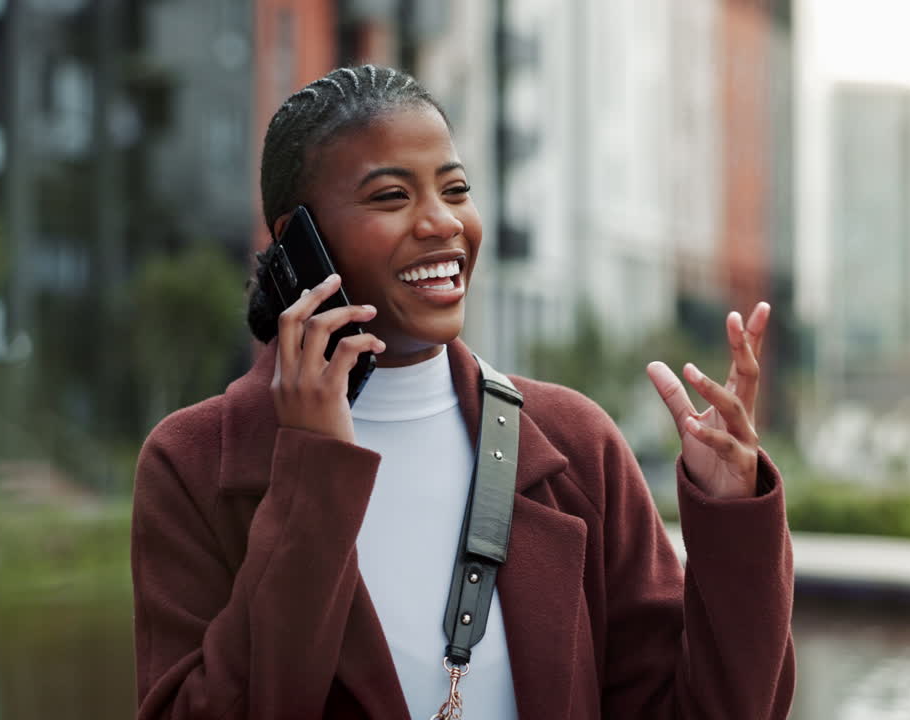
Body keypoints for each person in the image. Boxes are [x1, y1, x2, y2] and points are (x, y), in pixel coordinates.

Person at [130, 64, 795, 720]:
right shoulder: (193, 463)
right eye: (391, 197)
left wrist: (732, 514)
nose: (442, 222)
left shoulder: (574, 442)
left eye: (455, 189)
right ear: (297, 240)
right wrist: (313, 476)